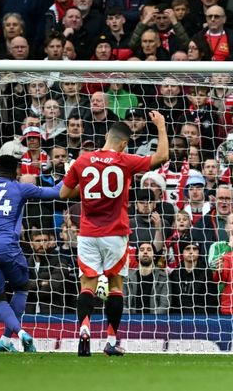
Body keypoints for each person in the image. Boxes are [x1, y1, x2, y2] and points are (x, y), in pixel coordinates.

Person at [60, 112, 169, 357]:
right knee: (115, 286)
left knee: (87, 285)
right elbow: (162, 156)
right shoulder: (124, 160)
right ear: (123, 143)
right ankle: (110, 340)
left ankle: (84, 329)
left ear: (106, 137)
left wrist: (88, 189)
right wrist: (160, 125)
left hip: (87, 233)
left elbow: (64, 195)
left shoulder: (82, 161)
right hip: (115, 234)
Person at [0, 154, 64, 353]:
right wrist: (71, 170)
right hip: (7, 247)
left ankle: (9, 338)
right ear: (17, 171)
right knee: (21, 289)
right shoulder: (19, 187)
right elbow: (58, 192)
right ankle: (19, 333)